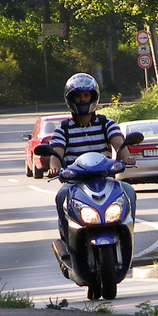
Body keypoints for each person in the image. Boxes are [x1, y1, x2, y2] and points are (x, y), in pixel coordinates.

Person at [48, 73, 137, 245]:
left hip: (105, 180)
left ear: (93, 97)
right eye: (78, 96)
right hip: (75, 183)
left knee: (129, 191)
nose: (82, 99)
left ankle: (127, 236)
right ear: (71, 99)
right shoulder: (63, 129)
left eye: (86, 95)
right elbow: (56, 153)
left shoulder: (106, 123)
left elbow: (119, 142)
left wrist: (127, 157)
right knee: (61, 195)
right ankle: (67, 236)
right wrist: (54, 167)